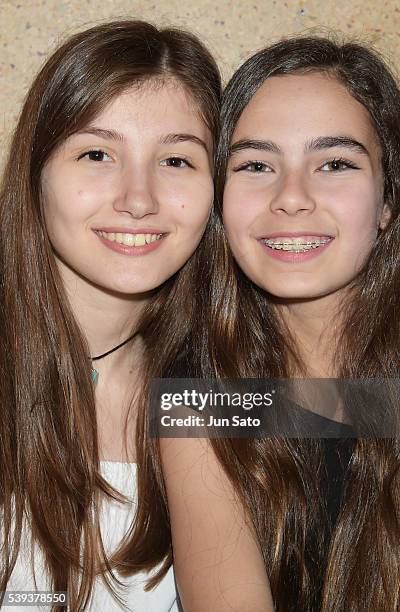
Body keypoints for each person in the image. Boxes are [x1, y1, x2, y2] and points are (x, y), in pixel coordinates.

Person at [163, 36, 400, 611]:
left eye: (335, 163)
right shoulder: (202, 396)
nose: (291, 197)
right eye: (256, 165)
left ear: (388, 200)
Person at [0, 20, 221, 611]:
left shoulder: (219, 393)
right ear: (36, 173)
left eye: (176, 161)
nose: (139, 198)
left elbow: (372, 408)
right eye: (96, 153)